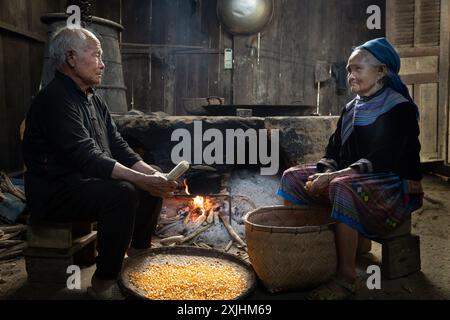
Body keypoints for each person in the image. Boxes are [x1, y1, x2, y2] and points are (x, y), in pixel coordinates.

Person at [22, 26, 178, 299]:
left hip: (84, 185)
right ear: (71, 59)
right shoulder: (55, 99)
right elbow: (86, 157)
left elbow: (119, 147)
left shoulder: (94, 99)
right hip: (54, 192)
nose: (103, 64)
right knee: (123, 192)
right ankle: (103, 282)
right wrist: (139, 178)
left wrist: (153, 175)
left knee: (151, 185)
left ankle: (138, 256)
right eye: (96, 56)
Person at [277, 38, 424, 300]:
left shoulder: (399, 107)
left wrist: (333, 176)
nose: (351, 75)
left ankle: (346, 278)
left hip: (391, 183)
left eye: (358, 69)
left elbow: (384, 157)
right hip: (352, 176)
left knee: (340, 186)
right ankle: (304, 252)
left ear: (381, 71)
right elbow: (334, 150)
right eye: (349, 69)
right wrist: (323, 170)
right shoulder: (351, 108)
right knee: (292, 178)